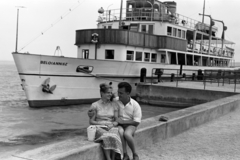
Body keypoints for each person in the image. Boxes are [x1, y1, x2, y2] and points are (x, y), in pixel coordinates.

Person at [88, 83, 122, 160]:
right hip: (99, 127)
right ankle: (108, 158)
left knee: (114, 135)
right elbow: (91, 121)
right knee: (107, 135)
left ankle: (113, 158)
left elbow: (117, 119)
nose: (110, 94)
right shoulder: (95, 105)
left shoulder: (114, 104)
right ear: (101, 93)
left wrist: (113, 124)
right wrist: (103, 123)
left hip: (111, 125)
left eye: (111, 93)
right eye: (108, 93)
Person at [116, 82, 142, 160]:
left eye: (121, 93)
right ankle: (125, 155)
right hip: (119, 124)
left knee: (127, 134)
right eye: (118, 92)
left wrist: (124, 122)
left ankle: (135, 154)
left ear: (128, 93)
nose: (119, 95)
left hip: (131, 125)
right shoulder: (115, 101)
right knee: (120, 132)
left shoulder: (135, 105)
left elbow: (137, 121)